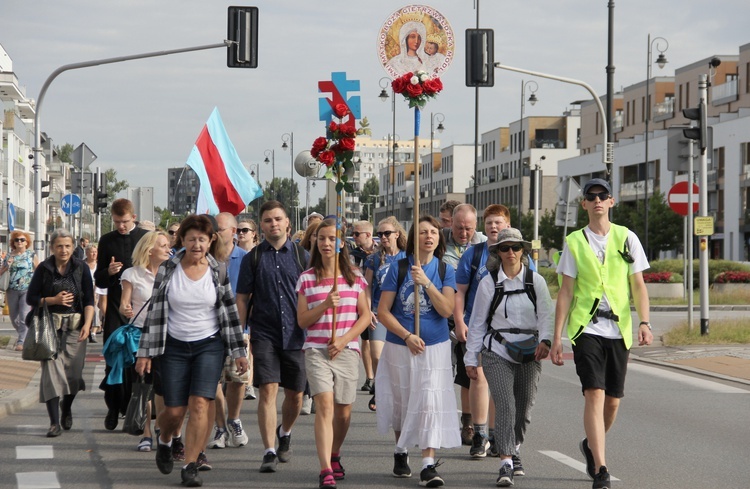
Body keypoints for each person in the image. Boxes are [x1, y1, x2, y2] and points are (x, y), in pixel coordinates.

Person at [550, 178, 652, 489]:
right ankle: (602, 468)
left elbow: (638, 286)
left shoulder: (627, 237)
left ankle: (591, 445)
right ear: (583, 204)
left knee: (613, 401)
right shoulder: (575, 242)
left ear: (611, 201)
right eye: (590, 196)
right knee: (594, 393)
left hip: (619, 329)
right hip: (586, 329)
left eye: (602, 196)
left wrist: (645, 322)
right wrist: (557, 338)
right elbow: (565, 292)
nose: (597, 201)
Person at [136, 214, 248, 488]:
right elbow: (154, 314)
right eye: (191, 239)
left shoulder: (218, 270)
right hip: (173, 346)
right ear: (182, 241)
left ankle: (190, 464)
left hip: (209, 346)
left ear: (211, 241)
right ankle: (165, 439)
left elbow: (230, 313)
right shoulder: (168, 269)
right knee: (174, 412)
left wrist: (238, 350)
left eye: (202, 239)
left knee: (200, 405)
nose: (196, 244)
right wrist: (144, 352)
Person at [465, 228, 553, 487]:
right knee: (505, 404)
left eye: (515, 247)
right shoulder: (488, 282)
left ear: (523, 250)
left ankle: (514, 448)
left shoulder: (535, 281)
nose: (511, 252)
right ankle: (505, 463)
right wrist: (471, 359)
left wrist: (546, 341)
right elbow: (478, 322)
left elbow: (546, 314)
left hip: (530, 351)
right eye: (505, 248)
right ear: (498, 253)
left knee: (523, 408)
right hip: (497, 350)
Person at [376, 215, 459, 488]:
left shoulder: (446, 271)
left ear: (439, 237)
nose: (429, 236)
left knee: (429, 404)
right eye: (423, 232)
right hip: (401, 345)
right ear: (414, 238)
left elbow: (447, 310)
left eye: (433, 232)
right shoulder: (398, 269)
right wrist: (407, 335)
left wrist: (426, 282)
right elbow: (383, 312)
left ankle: (428, 464)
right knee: (402, 401)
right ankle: (401, 450)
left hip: (434, 347)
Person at [235, 200, 310, 474]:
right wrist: (241, 336)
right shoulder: (252, 258)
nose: (273, 224)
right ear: (262, 226)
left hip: (297, 335)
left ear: (287, 222)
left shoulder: (303, 257)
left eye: (278, 219)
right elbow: (242, 298)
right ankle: (268, 451)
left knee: (296, 396)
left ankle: (285, 432)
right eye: (267, 220)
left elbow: (314, 297)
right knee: (267, 390)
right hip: (264, 333)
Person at [296, 218, 370, 489]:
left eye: (331, 238)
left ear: (341, 243)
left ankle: (335, 451)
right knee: (325, 406)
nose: (326, 243)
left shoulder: (354, 276)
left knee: (344, 411)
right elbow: (302, 321)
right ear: (315, 242)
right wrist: (326, 304)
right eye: (321, 238)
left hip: (347, 350)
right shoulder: (306, 278)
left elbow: (364, 317)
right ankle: (325, 466)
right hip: (316, 350)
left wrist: (345, 340)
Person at [26, 229, 95, 437]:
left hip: (75, 328)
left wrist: (88, 324)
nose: (63, 250)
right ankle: (54, 423)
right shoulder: (44, 269)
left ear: (73, 247)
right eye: (59, 246)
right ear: (52, 248)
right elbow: (31, 298)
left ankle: (67, 407)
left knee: (73, 375)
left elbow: (90, 300)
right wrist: (53, 300)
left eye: (67, 246)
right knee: (51, 374)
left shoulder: (81, 268)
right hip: (49, 329)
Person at [454, 204, 510, 458]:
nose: (493, 227)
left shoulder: (516, 253)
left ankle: (496, 435)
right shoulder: (473, 254)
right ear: (483, 226)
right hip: (476, 326)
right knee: (478, 377)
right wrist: (459, 321)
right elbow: (460, 292)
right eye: (489, 223)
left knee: (499, 383)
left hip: (506, 329)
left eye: (498, 222)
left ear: (507, 225)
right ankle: (480, 435)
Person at [95, 198, 149, 431]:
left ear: (133, 218)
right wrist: (108, 271)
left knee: (136, 363)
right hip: (117, 309)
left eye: (125, 222)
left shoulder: (145, 238)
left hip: (140, 310)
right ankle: (112, 407)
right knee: (114, 359)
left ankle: (132, 409)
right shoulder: (107, 241)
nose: (121, 227)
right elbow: (98, 279)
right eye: (116, 222)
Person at [119, 231, 171, 453]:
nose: (169, 249)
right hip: (141, 334)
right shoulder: (132, 274)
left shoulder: (173, 272)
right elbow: (124, 304)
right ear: (150, 250)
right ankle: (146, 433)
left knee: (164, 386)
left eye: (169, 245)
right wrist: (125, 308)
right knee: (144, 386)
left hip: (167, 334)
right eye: (164, 245)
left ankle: (161, 428)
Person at [442, 203, 487, 446]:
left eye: (468, 228)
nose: (463, 232)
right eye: (459, 227)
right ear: (451, 224)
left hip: (472, 318)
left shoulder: (483, 244)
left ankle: (469, 424)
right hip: (443, 315)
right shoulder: (440, 242)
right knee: (445, 372)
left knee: (471, 372)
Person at [206, 212, 250, 451]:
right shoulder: (205, 258)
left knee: (236, 380)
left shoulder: (246, 258)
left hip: (238, 328)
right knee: (211, 381)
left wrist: (245, 328)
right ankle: (221, 427)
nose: (214, 235)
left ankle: (234, 419)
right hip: (209, 330)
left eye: (219, 230)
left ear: (233, 232)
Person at [363, 216, 407, 412]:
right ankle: (380, 386)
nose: (383, 237)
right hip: (379, 312)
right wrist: (367, 310)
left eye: (387, 233)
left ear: (397, 234)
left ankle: (385, 389)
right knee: (377, 355)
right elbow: (366, 286)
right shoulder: (373, 258)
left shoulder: (407, 257)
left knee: (399, 358)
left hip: (402, 314)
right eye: (379, 234)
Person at [349, 220, 376, 393]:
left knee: (377, 342)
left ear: (368, 235)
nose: (354, 237)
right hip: (358, 299)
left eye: (357, 234)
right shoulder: (353, 254)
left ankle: (377, 376)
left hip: (378, 300)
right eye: (353, 233)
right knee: (365, 340)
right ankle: (369, 376)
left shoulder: (380, 251)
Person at [1, 230, 39, 351]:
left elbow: (38, 271)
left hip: (27, 289)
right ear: (13, 242)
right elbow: (1, 272)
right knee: (14, 318)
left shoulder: (31, 255)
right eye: (17, 240)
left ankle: (21, 341)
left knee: (23, 315)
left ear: (27, 242)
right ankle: (27, 334)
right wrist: (7, 265)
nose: (20, 242)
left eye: (22, 240)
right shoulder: (9, 255)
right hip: (11, 289)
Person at [84, 244, 107, 343]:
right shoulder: (83, 264)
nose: (94, 254)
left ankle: (93, 332)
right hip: (85, 289)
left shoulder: (99, 265)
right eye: (92, 252)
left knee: (97, 309)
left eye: (95, 252)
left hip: (98, 289)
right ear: (87, 253)